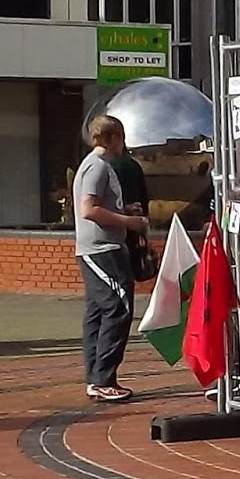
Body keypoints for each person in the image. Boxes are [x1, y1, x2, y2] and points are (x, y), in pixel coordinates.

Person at [74, 115, 148, 402]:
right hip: (102, 249)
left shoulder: (92, 166)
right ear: (115, 137)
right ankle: (104, 378)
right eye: (122, 137)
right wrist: (129, 222)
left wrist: (122, 209)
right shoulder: (98, 167)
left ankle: (96, 377)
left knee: (97, 312)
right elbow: (88, 209)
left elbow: (97, 205)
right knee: (118, 309)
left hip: (97, 248)